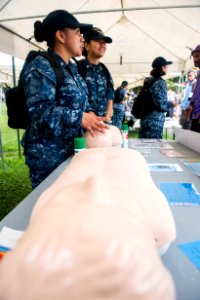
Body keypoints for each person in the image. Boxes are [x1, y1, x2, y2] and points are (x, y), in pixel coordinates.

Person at [0, 148, 176, 300]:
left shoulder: (42, 211)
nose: (93, 186)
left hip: (99, 159)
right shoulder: (157, 222)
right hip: (118, 160)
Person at [21, 10, 108, 189]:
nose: (82, 38)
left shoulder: (71, 68)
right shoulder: (40, 66)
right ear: (60, 35)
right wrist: (80, 118)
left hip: (70, 154)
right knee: (50, 210)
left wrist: (89, 113)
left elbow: (82, 102)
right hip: (48, 160)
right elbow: (40, 112)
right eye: (77, 33)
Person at [76, 27, 114, 121]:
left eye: (104, 42)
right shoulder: (78, 68)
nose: (102, 45)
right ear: (87, 45)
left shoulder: (104, 70)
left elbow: (110, 97)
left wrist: (107, 118)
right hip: (84, 124)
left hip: (102, 123)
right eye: (98, 41)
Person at [139, 56, 175, 139]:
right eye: (166, 66)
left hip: (145, 118)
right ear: (163, 67)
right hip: (154, 121)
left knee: (144, 146)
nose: (167, 68)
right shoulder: (160, 82)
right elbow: (160, 104)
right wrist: (171, 104)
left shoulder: (149, 80)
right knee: (152, 147)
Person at [190, 45, 200, 133]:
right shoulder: (199, 75)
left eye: (197, 56)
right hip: (195, 115)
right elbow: (197, 92)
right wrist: (191, 103)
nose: (195, 60)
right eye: (194, 57)